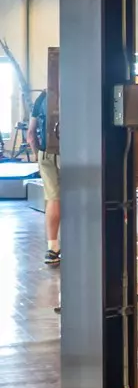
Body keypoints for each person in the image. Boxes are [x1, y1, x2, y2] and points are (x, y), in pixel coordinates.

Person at [32, 87, 57, 265]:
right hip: (74, 153)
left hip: (46, 152)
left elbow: (30, 134)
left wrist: (36, 156)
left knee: (53, 199)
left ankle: (52, 248)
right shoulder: (77, 91)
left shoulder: (42, 97)